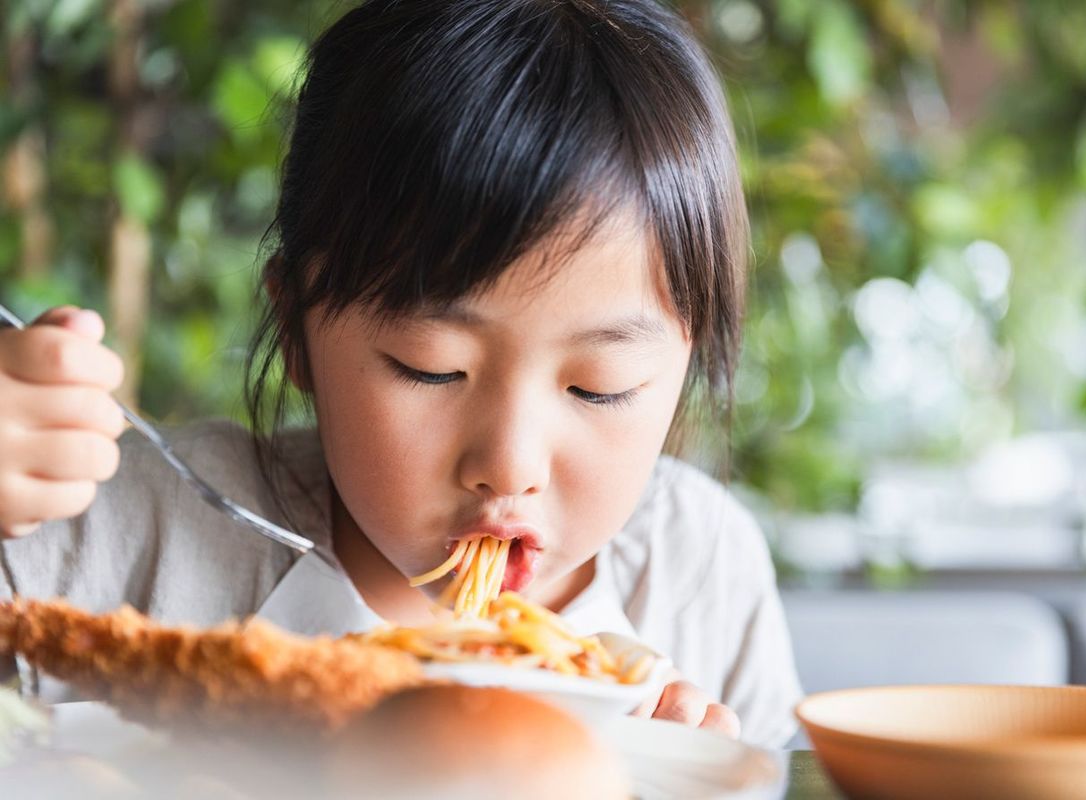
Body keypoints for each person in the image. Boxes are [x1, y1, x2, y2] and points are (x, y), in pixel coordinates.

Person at [0, 0, 802, 748]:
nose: (509, 467)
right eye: (431, 368)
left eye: (601, 385)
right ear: (297, 328)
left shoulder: (697, 569)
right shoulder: (113, 542)